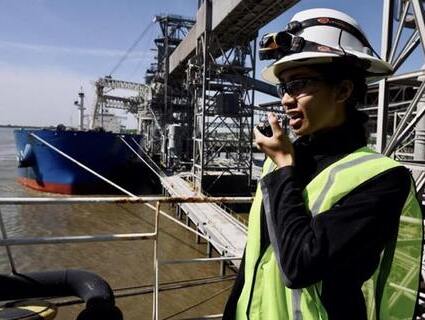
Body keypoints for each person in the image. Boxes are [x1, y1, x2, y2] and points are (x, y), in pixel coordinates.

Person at [223, 8, 423, 320]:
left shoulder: (382, 179)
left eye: (299, 84)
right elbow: (254, 261)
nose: (286, 99)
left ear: (343, 90)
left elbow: (299, 267)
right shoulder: (278, 165)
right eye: (283, 86)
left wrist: (286, 166)